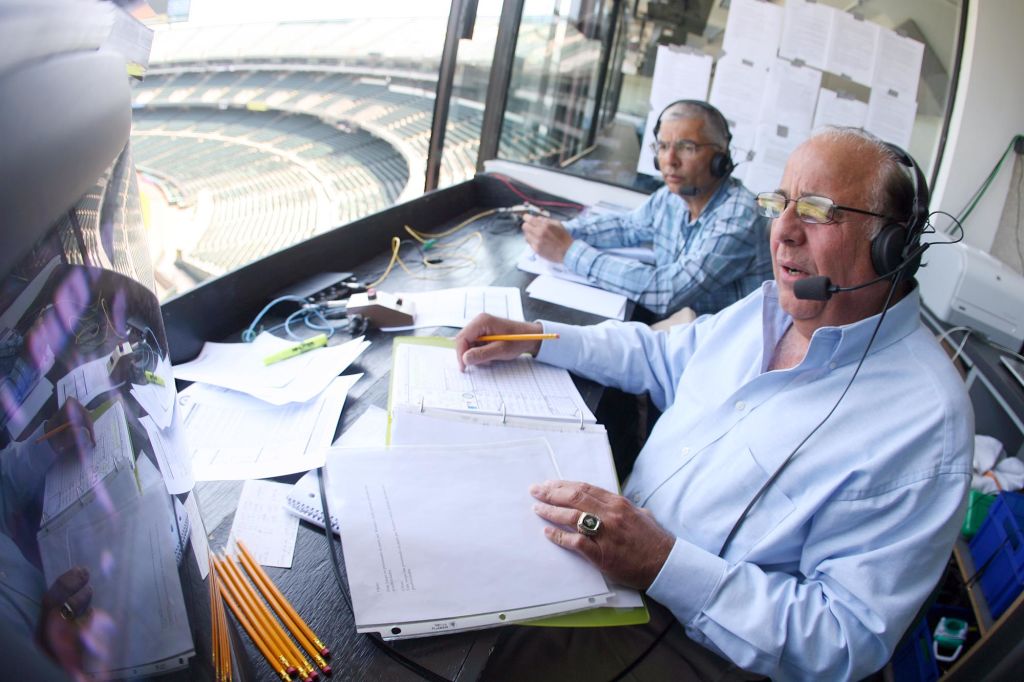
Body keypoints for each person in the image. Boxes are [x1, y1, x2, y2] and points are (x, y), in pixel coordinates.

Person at [455, 127, 973, 680]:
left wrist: (660, 563)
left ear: (891, 245)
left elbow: (843, 641)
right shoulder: (767, 308)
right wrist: (538, 336)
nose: (784, 232)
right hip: (613, 555)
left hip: (693, 646)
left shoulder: (927, 423)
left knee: (471, 656)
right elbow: (661, 356)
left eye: (818, 211)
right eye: (779, 205)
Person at [520, 100, 772, 320]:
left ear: (721, 158)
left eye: (687, 147)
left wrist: (568, 251)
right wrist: (558, 231)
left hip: (717, 346)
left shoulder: (740, 215)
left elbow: (666, 292)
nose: (670, 160)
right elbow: (626, 227)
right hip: (680, 326)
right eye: (662, 147)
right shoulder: (671, 198)